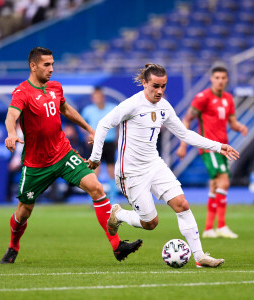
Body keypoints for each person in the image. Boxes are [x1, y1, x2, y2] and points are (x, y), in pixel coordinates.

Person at [88, 63, 240, 268]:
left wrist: (218, 146)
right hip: (130, 172)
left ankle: (200, 256)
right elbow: (104, 124)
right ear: (144, 83)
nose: (160, 91)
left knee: (182, 204)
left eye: (163, 86)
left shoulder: (164, 107)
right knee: (150, 223)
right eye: (155, 86)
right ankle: (119, 214)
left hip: (154, 164)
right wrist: (96, 157)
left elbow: (184, 134)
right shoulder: (131, 105)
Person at [0, 47, 142, 264]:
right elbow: (12, 114)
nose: (51, 69)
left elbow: (65, 110)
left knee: (96, 187)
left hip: (63, 153)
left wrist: (89, 128)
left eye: (53, 64)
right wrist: (11, 133)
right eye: (47, 65)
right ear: (33, 66)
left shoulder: (55, 87)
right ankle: (13, 246)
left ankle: (117, 246)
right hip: (36, 164)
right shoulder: (22, 92)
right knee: (24, 211)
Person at [177, 65, 248, 239]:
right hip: (210, 147)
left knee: (215, 185)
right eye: (217, 77)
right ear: (211, 79)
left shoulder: (228, 99)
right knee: (224, 182)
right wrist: (183, 145)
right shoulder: (203, 98)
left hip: (224, 147)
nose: (220, 81)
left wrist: (240, 127)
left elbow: (232, 122)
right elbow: (186, 119)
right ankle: (222, 225)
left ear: (227, 80)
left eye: (223, 78)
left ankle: (209, 228)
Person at [81, 87, 118, 202]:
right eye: (95, 97)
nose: (97, 99)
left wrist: (117, 136)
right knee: (95, 171)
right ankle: (93, 198)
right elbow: (82, 123)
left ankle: (112, 199)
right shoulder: (88, 110)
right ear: (93, 98)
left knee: (111, 171)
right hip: (95, 143)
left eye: (99, 96)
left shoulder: (112, 108)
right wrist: (87, 134)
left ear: (103, 97)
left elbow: (119, 124)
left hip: (109, 143)